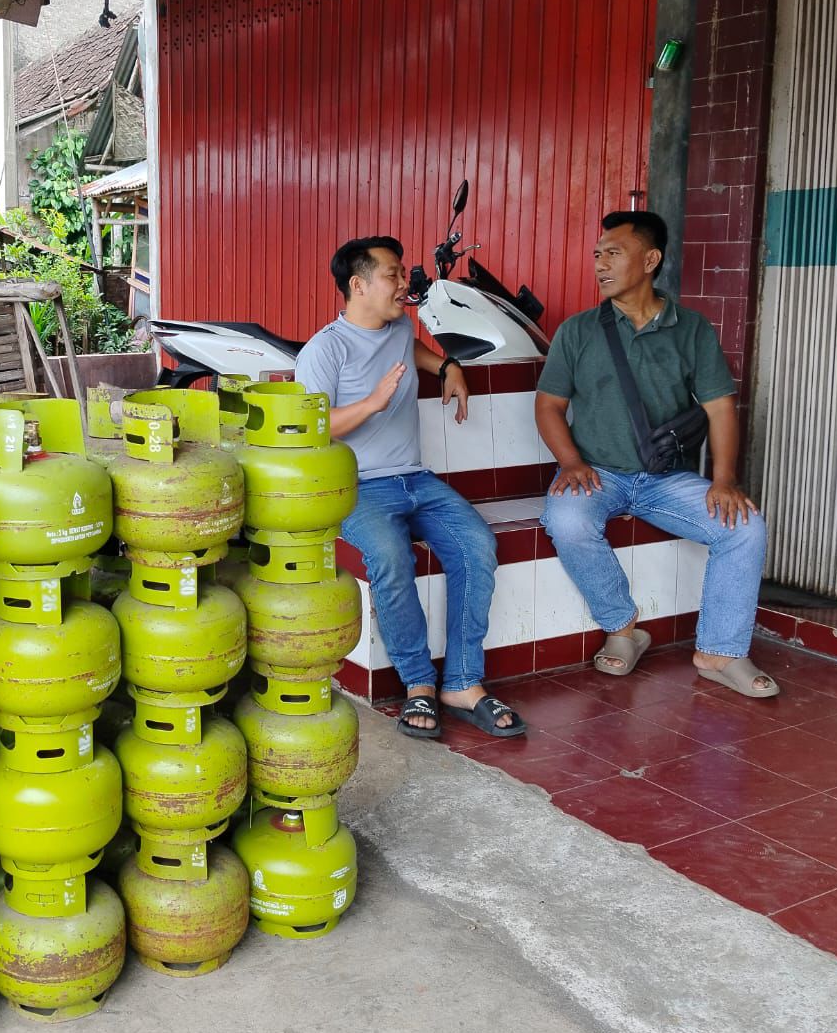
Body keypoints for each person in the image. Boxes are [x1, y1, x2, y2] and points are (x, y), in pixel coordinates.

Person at [534, 210, 775, 696]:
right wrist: (572, 462)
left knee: (745, 528)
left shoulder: (691, 330)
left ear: (650, 260)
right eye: (597, 254)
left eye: (613, 253)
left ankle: (720, 652)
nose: (600, 263)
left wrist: (724, 479)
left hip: (667, 478)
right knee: (567, 521)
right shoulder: (578, 331)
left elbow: (721, 410)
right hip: (596, 475)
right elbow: (549, 406)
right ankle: (623, 629)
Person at [293, 236, 524, 740]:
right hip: (357, 487)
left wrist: (448, 366)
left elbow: (411, 348)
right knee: (392, 560)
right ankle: (418, 682)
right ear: (359, 285)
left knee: (477, 546)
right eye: (393, 275)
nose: (405, 284)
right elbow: (313, 427)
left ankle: (462, 683)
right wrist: (372, 404)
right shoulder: (323, 349)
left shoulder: (398, 326)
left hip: (417, 479)